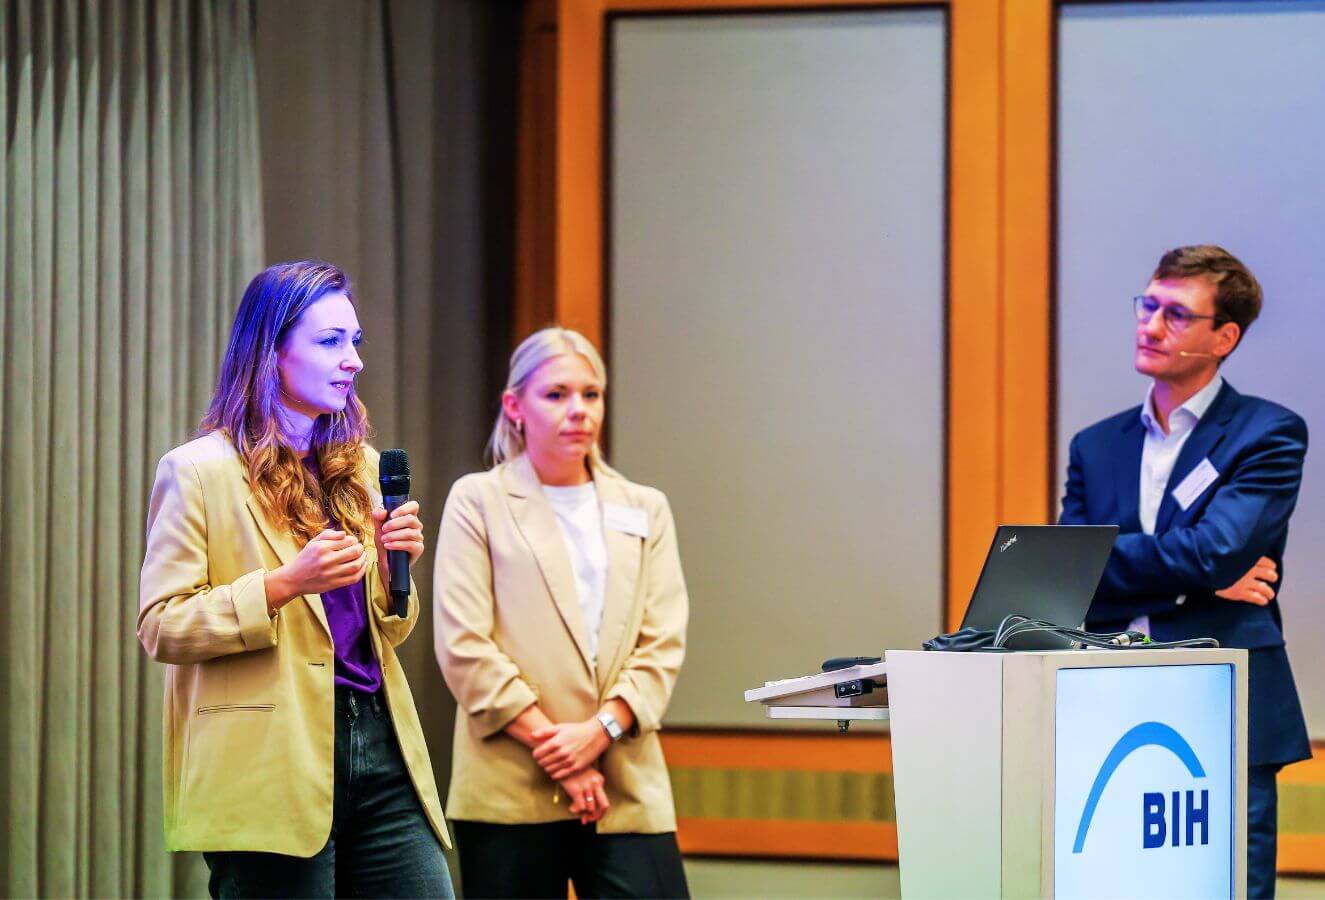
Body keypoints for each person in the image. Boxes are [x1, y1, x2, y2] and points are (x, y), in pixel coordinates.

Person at [138, 260, 453, 898]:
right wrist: (284, 584)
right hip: (267, 757)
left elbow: (380, 629)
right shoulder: (198, 472)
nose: (353, 361)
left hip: (379, 743)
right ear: (272, 352)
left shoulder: (359, 465)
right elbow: (161, 626)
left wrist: (399, 574)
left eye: (355, 342)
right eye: (330, 341)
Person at [1059, 245, 1310, 899]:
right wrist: (1193, 574)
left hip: (1221, 699)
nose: (1149, 326)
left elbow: (1216, 550)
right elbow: (1071, 572)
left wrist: (1191, 565)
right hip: (1106, 704)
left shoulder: (1267, 432)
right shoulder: (1094, 444)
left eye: (1174, 314)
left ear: (1223, 336)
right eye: (1146, 305)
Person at [433, 327, 690, 899]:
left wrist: (598, 733)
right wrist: (564, 754)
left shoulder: (645, 508)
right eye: (556, 395)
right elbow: (464, 646)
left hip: (624, 779)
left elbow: (662, 642)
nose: (579, 410)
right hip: (511, 783)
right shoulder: (478, 500)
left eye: (591, 394)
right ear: (514, 406)